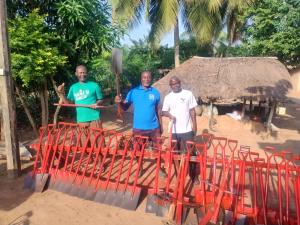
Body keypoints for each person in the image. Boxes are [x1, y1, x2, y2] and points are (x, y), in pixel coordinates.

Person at [115, 71, 165, 176]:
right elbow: (125, 107)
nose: (146, 79)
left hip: (154, 127)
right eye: (144, 77)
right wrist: (119, 101)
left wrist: (160, 125)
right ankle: (140, 168)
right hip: (138, 128)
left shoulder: (155, 92)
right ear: (141, 79)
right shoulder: (133, 92)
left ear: (151, 78)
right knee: (138, 149)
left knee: (157, 149)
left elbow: (158, 110)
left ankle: (159, 168)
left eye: (148, 77)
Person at [162, 76, 198, 183]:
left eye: (177, 83)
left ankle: (193, 176)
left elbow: (192, 111)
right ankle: (179, 173)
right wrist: (170, 115)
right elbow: (164, 111)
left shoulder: (188, 94)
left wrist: (194, 125)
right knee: (175, 153)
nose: (175, 85)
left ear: (180, 83)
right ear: (170, 86)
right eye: (173, 84)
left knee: (191, 153)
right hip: (174, 131)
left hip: (187, 130)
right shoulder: (168, 97)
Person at [57, 65, 104, 129]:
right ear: (76, 74)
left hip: (94, 119)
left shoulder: (95, 85)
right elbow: (68, 103)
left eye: (84, 72)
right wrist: (61, 94)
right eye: (80, 73)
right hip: (81, 120)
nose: (83, 74)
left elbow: (101, 99)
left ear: (87, 73)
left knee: (97, 139)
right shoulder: (73, 87)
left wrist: (97, 103)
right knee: (84, 139)